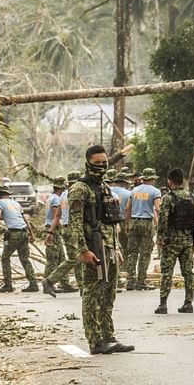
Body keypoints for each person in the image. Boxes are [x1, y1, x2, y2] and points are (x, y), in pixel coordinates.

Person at [68, 144, 133, 354]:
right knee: (92, 294)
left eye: (104, 163)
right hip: (94, 248)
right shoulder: (80, 189)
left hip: (110, 247)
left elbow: (111, 222)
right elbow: (75, 223)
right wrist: (83, 250)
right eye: (97, 163)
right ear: (88, 163)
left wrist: (118, 247)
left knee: (108, 295)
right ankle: (95, 341)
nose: (102, 166)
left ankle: (109, 336)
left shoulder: (105, 187)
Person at [155, 168, 194, 314]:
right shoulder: (192, 197)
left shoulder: (168, 198)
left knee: (167, 272)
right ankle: (188, 303)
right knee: (188, 272)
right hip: (187, 240)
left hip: (171, 241)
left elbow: (163, 219)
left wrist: (161, 237)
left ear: (169, 181)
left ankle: (163, 304)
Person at [0, 184, 39, 293]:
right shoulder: (16, 204)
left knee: (5, 258)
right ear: (8, 194)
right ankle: (33, 284)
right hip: (24, 232)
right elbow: (25, 220)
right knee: (25, 259)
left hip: (14, 234)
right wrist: (31, 235)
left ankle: (8, 285)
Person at [44, 171, 83, 294]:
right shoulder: (75, 194)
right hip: (73, 229)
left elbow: (57, 216)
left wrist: (50, 232)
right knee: (74, 259)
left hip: (66, 229)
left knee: (78, 258)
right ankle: (50, 280)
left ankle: (83, 287)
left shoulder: (63, 195)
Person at [123, 168, 161, 290]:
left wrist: (127, 224)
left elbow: (127, 208)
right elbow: (158, 208)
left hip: (134, 221)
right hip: (147, 223)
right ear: (153, 179)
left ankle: (130, 280)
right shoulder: (155, 191)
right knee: (145, 253)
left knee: (132, 253)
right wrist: (160, 225)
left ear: (143, 178)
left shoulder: (134, 191)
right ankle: (141, 281)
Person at [41, 176, 66, 294]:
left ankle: (64, 283)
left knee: (61, 258)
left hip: (52, 229)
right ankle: (48, 283)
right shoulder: (56, 199)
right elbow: (57, 216)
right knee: (52, 259)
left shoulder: (51, 198)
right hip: (52, 229)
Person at [110, 172, 132, 257]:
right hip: (122, 221)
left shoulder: (109, 191)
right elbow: (128, 209)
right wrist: (128, 223)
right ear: (125, 182)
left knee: (112, 244)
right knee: (124, 244)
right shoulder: (128, 193)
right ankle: (124, 264)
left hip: (109, 222)